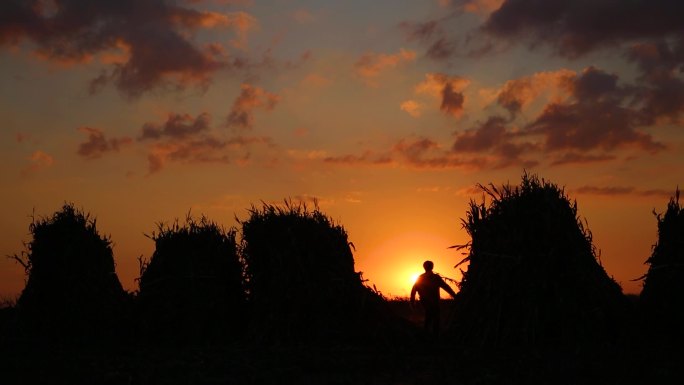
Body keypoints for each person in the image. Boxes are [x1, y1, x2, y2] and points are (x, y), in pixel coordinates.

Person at [410, 260, 457, 336]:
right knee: (435, 318)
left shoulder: (421, 277)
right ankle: (433, 336)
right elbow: (446, 287)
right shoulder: (435, 277)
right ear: (432, 267)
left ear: (424, 267)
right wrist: (454, 295)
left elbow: (413, 290)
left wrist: (412, 302)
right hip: (434, 302)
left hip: (425, 302)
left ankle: (427, 335)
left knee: (429, 317)